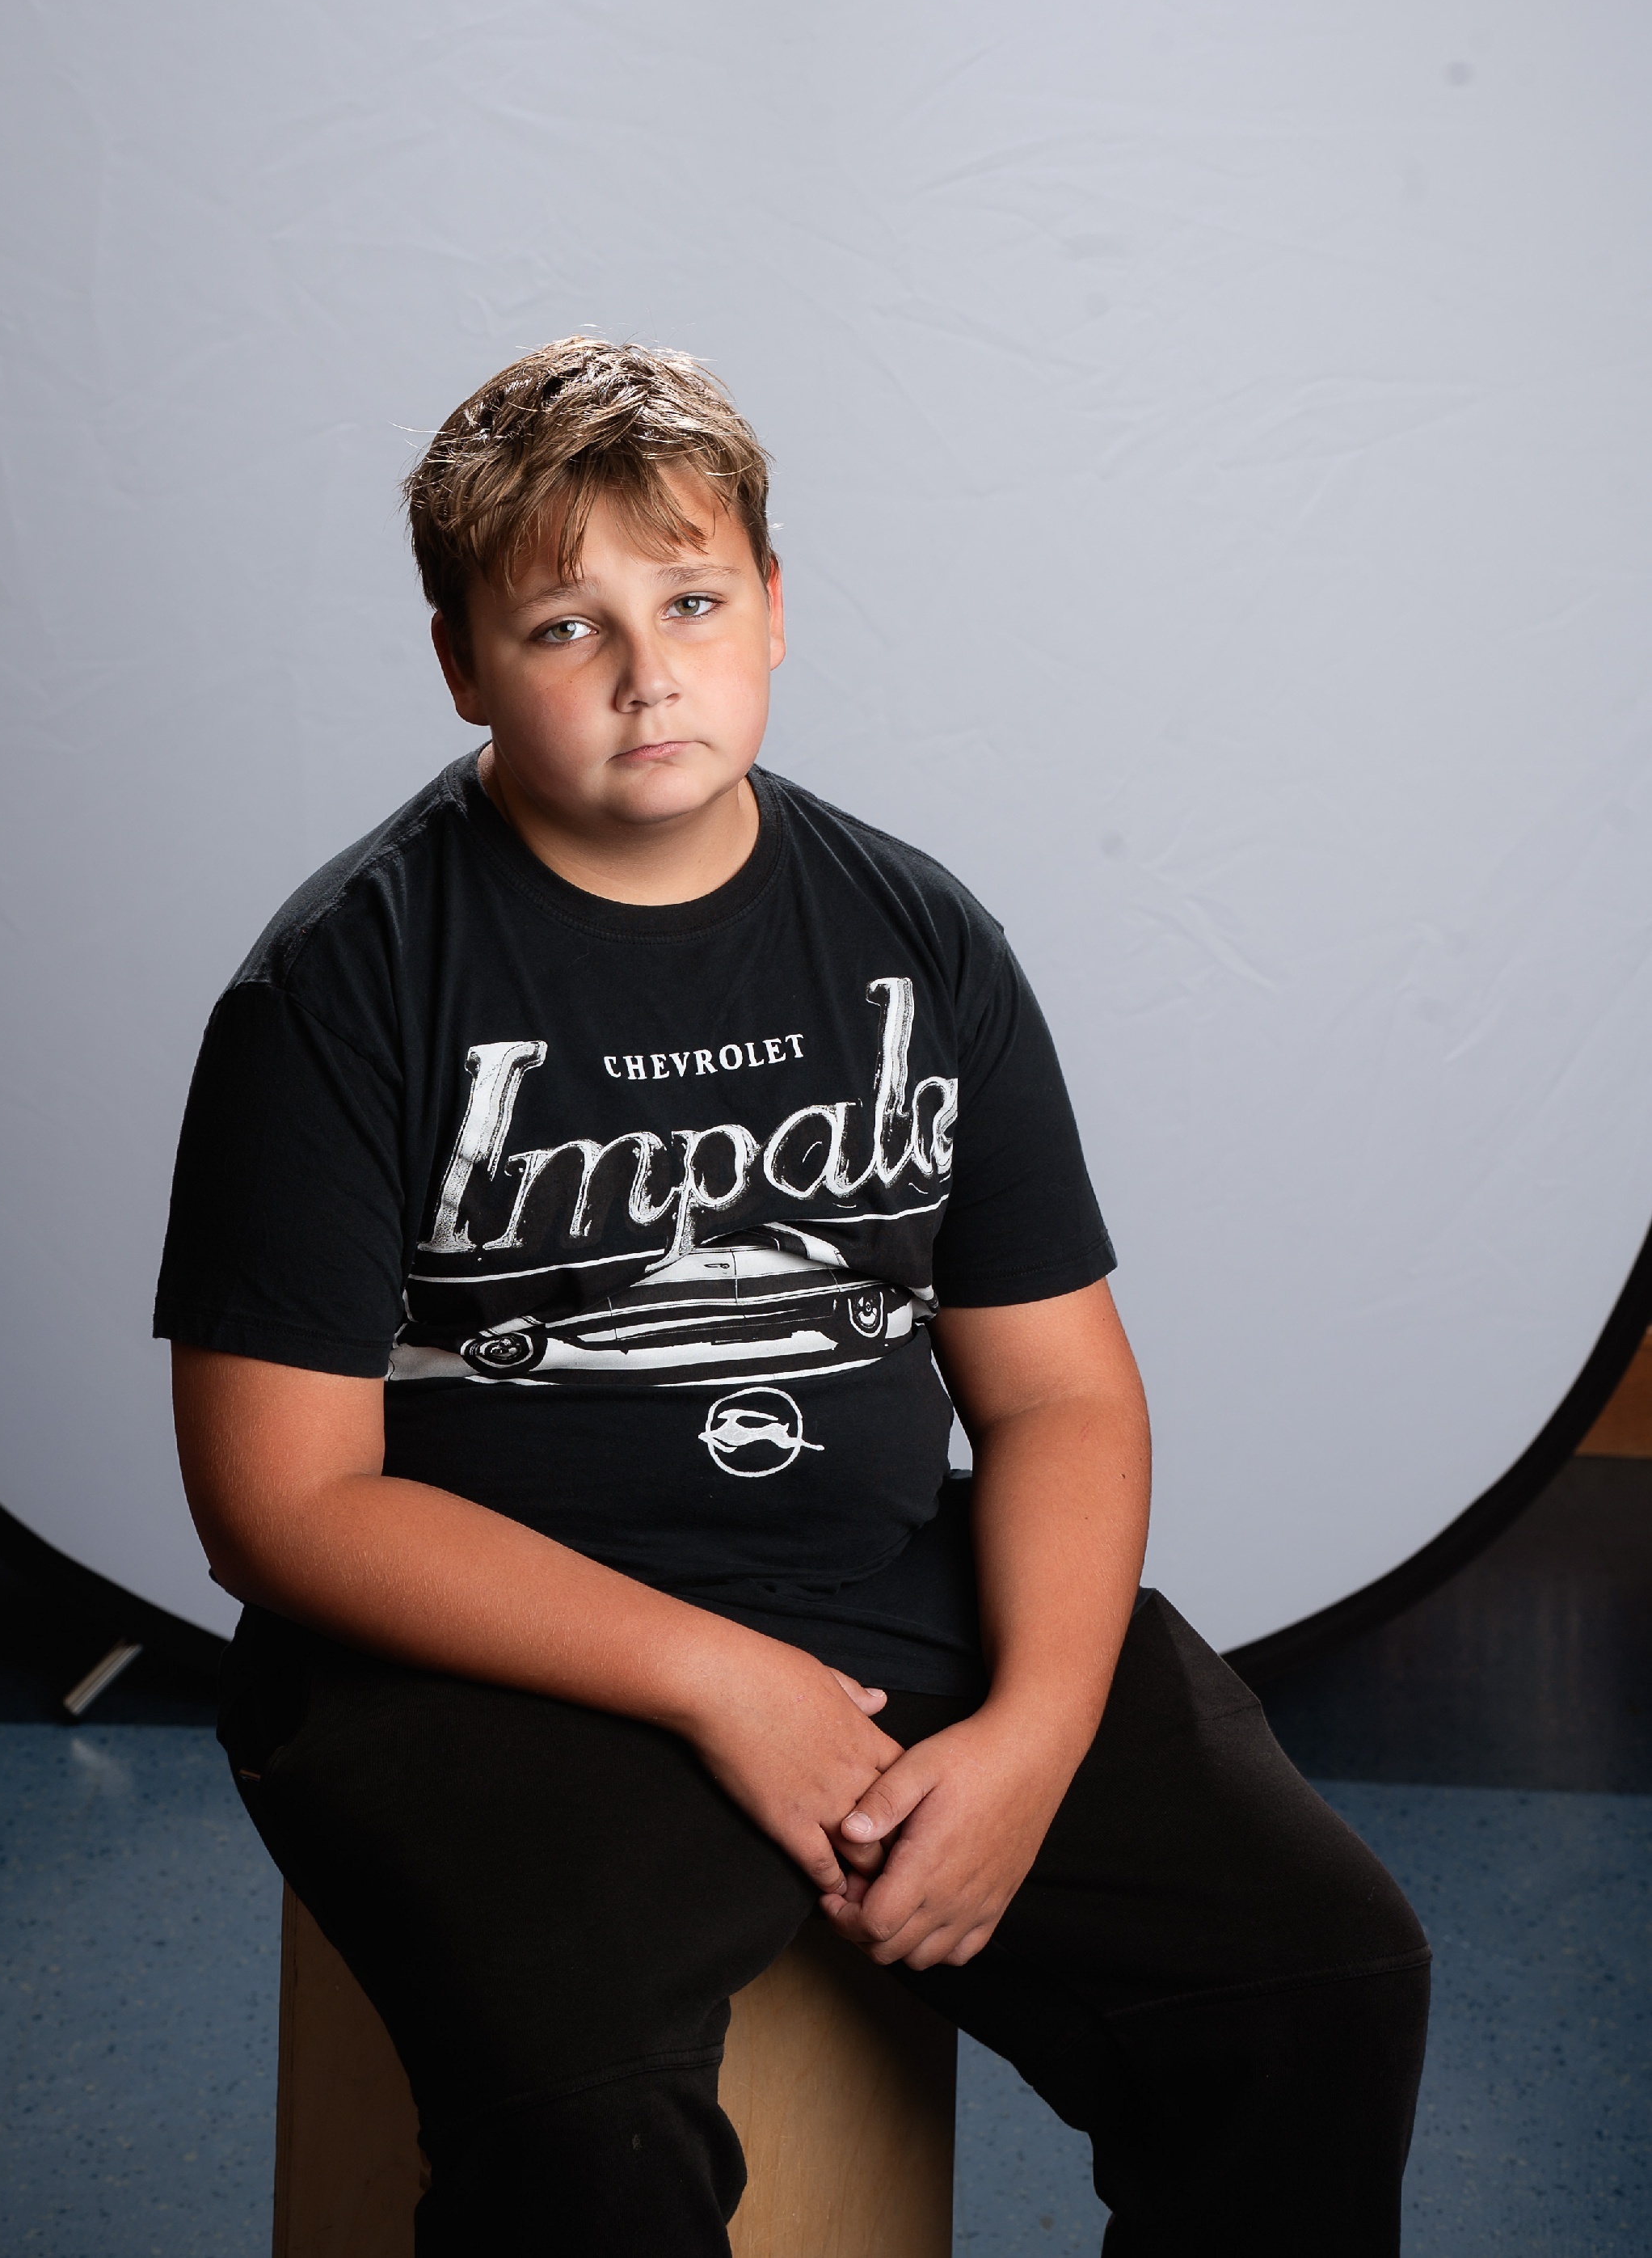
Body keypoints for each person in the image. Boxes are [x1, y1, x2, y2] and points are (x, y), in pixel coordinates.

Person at [158, 337, 1428, 2256]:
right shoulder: (343, 985)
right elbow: (283, 1503)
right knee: (588, 2128)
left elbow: (1062, 1397)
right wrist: (718, 1678)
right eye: (564, 627)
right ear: (460, 666)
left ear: (772, 607)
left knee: (1323, 1980)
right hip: (487, 1659)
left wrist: (1036, 1737)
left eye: (689, 602)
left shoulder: (918, 937)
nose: (647, 672)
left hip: (888, 1589)